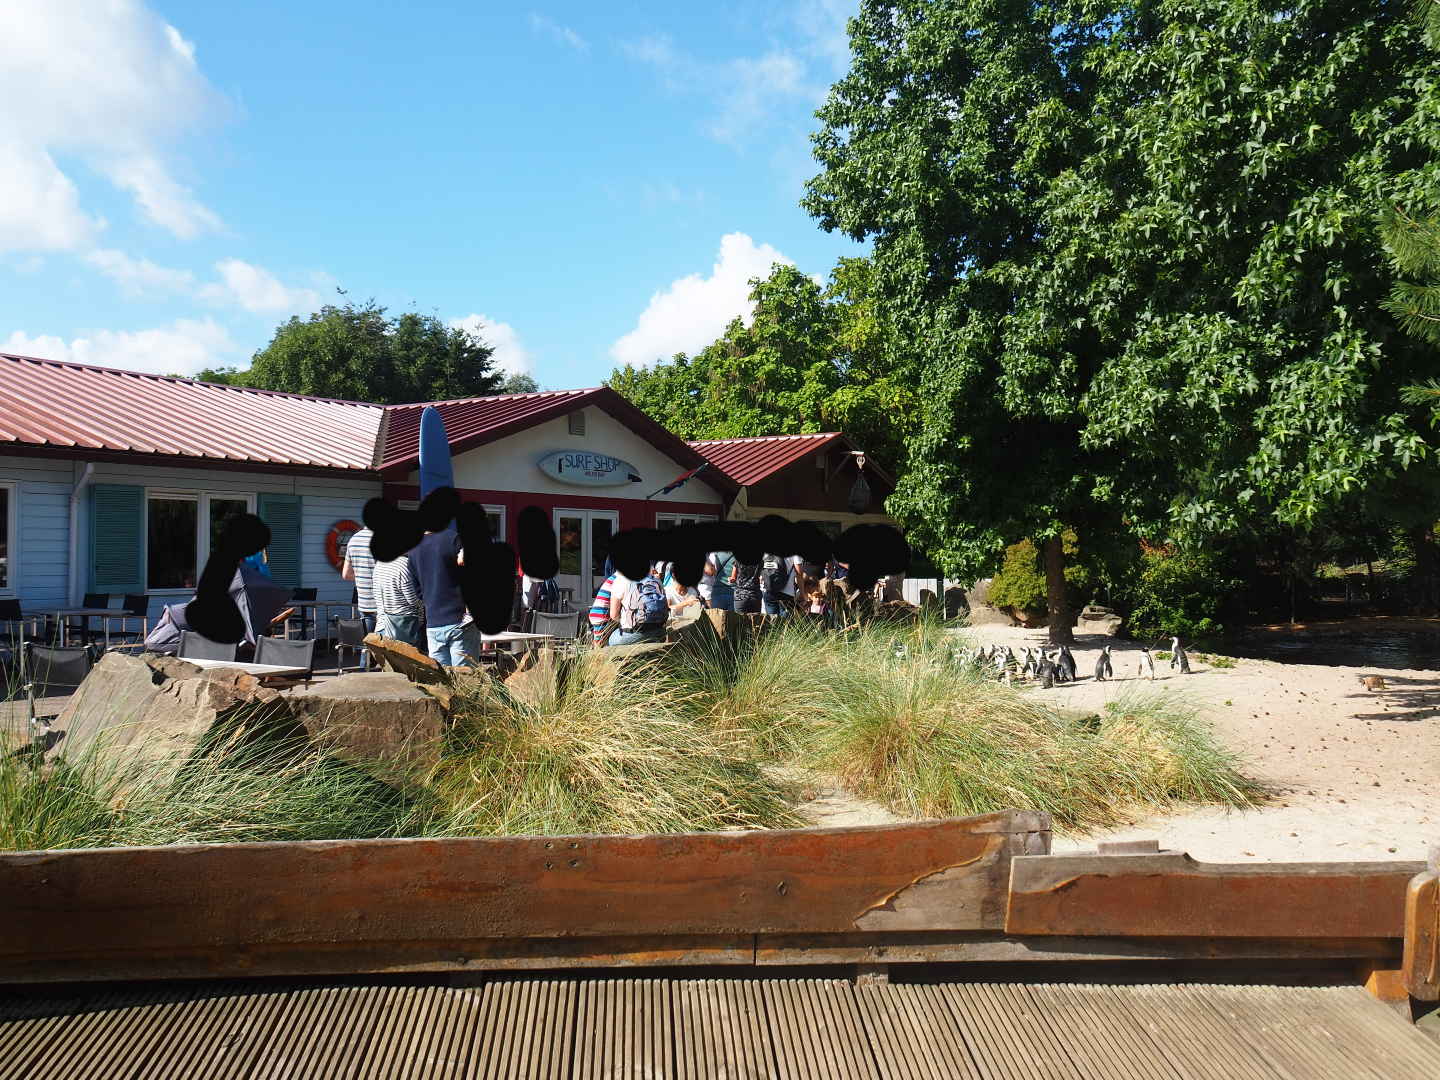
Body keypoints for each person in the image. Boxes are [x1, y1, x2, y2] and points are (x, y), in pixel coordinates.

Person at [409, 527, 477, 666]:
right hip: (461, 621)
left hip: (433, 623)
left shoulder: (414, 549)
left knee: (442, 681)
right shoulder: (454, 539)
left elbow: (418, 593)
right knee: (466, 681)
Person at [372, 552, 424, 648]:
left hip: (382, 626)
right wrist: (429, 600)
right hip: (404, 630)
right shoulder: (404, 564)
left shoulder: (379, 564)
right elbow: (414, 600)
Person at [608, 563, 668, 645]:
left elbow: (614, 616)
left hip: (632, 634)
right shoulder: (655, 580)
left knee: (611, 641)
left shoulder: (620, 580)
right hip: (659, 634)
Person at [341, 526, 376, 633]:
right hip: (385, 604)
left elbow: (346, 574)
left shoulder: (353, 539)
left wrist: (363, 578)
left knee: (367, 644)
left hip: (364, 602)